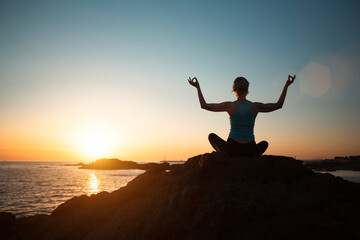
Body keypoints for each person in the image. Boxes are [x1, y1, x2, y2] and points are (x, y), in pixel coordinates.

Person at [188, 75, 296, 157]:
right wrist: (287, 85)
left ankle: (226, 157)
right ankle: (251, 158)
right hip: (250, 149)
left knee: (211, 136)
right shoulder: (255, 106)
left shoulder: (230, 106)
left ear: (234, 89)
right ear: (247, 89)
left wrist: (197, 87)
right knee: (264, 143)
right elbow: (278, 105)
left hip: (232, 149)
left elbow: (204, 105)